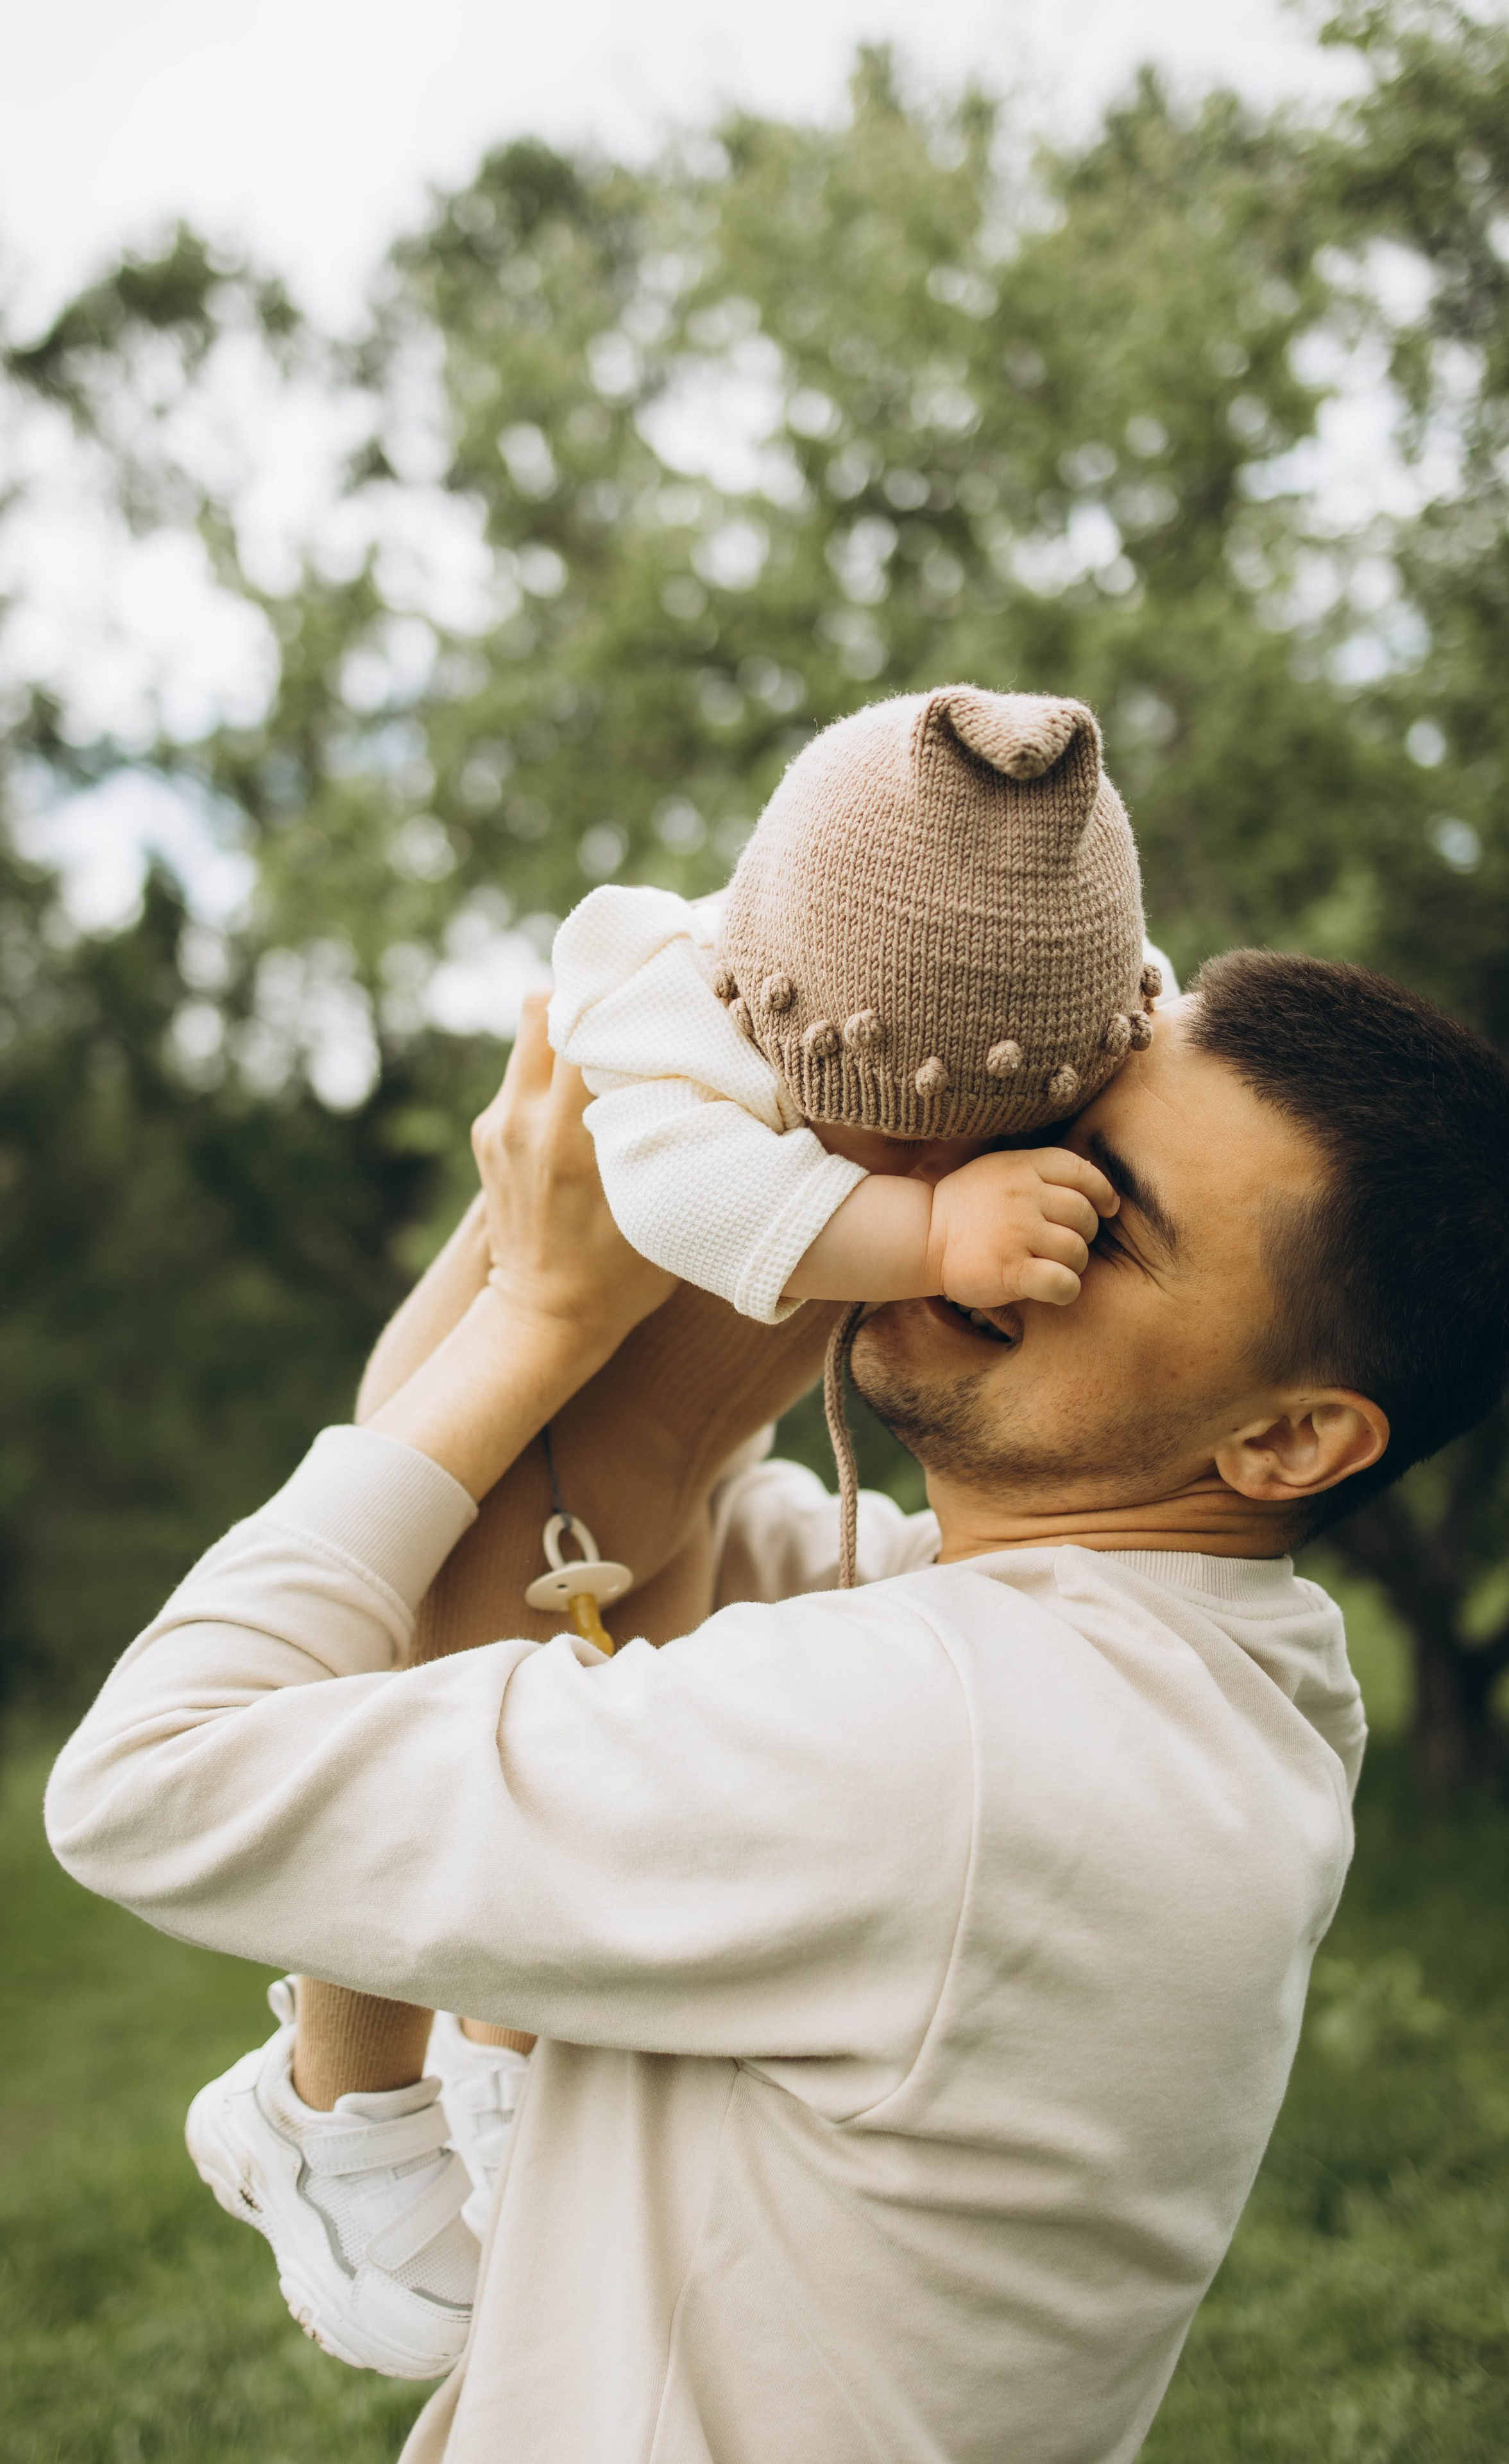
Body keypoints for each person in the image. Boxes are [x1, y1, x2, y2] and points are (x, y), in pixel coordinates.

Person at [47, 948, 1509, 2463]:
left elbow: (152, 1780)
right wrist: (844, 1104)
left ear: (1290, 1439)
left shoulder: (957, 1743)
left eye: (1102, 1216)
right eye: (1034, 1135)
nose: (1007, 1206)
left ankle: (359, 2129)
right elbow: (611, 1512)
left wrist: (535, 1317)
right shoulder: (1213, 1679)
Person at [173, 679, 1173, 2381]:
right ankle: (327, 2113)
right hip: (499, 1474)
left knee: (587, 1813)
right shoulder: (671, 1008)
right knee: (440, 1805)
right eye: (901, 1133)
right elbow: (681, 1198)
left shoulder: (1005, 1014)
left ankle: (512, 2075)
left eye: (992, 1140)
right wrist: (932, 1230)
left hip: (674, 1498)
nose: (934, 1165)